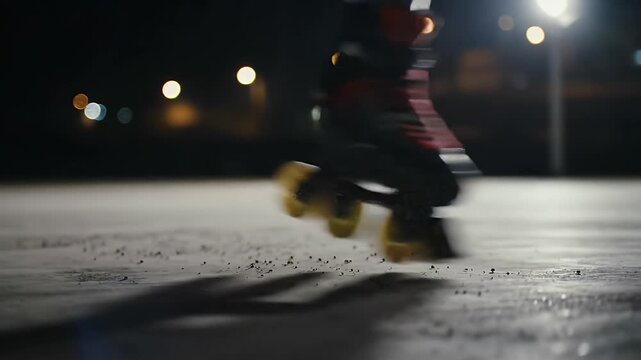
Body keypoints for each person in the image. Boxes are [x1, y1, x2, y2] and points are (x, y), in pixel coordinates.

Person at [296, 0, 462, 260]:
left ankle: (401, 211)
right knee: (435, 181)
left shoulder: (400, 61)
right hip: (357, 125)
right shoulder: (361, 51)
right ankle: (332, 184)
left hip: (374, 115)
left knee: (444, 185)